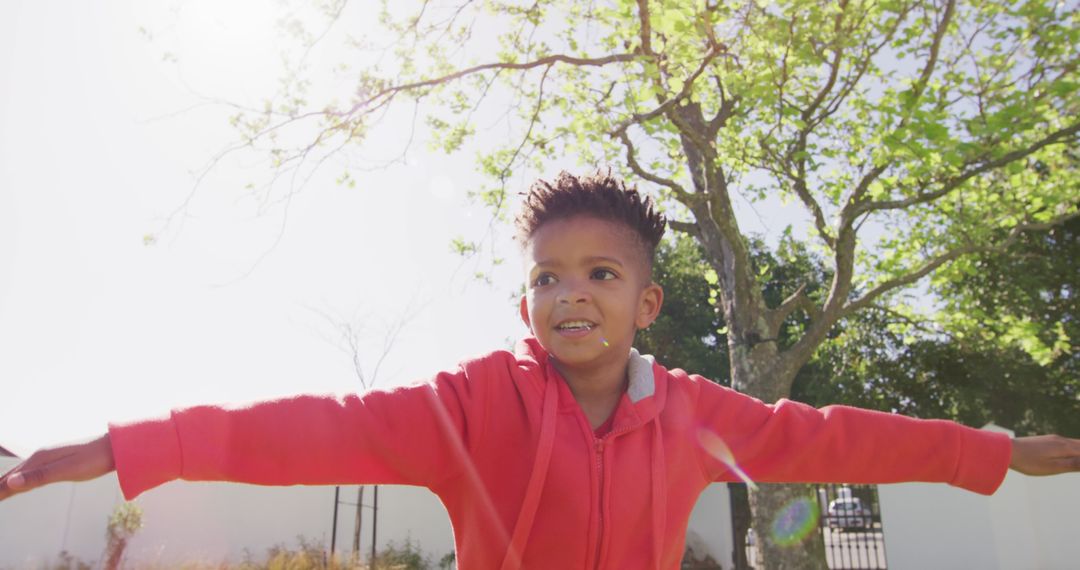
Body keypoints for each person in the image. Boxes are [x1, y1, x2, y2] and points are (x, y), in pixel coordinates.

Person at [1, 171, 1078, 569]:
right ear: (527, 298)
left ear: (646, 303)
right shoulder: (468, 408)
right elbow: (301, 429)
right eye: (549, 275)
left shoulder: (698, 414)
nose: (572, 292)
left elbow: (840, 435)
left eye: (601, 273)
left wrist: (996, 452)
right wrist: (123, 447)